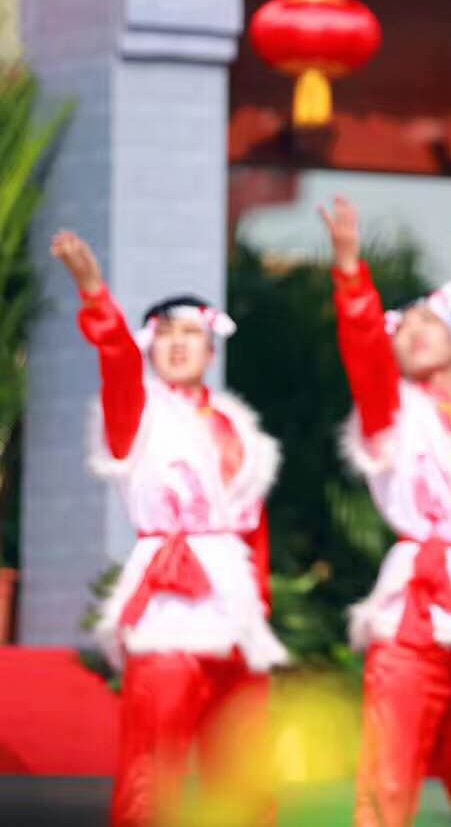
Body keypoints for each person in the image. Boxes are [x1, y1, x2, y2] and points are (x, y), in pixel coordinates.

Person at [50, 231, 286, 826]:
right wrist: (95, 294)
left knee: (243, 770)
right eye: (165, 334)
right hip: (168, 605)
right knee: (154, 768)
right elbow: (117, 361)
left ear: (212, 348)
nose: (178, 344)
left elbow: (253, 535)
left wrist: (259, 610)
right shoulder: (137, 413)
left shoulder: (238, 427)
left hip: (233, 609)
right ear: (150, 346)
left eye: (191, 334)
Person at [319, 198, 451, 827]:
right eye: (402, 326)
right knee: (388, 780)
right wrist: (351, 274)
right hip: (414, 611)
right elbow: (362, 347)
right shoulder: (390, 413)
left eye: (427, 321)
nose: (412, 331)